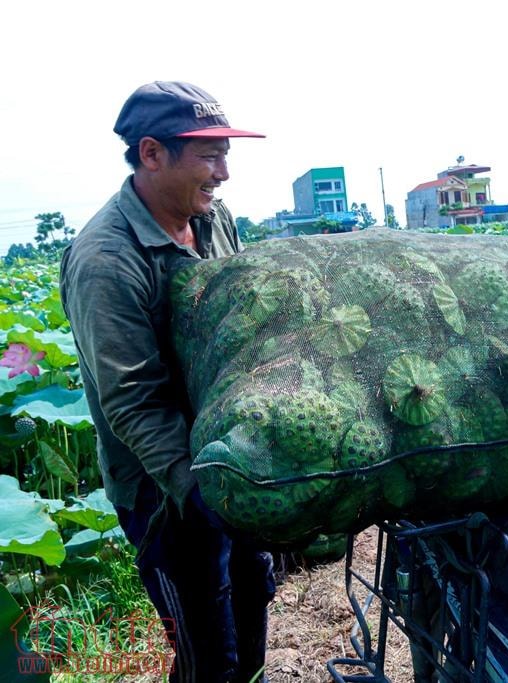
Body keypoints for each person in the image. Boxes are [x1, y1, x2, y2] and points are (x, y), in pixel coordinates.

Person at [60, 81, 274, 682]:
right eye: (209, 155)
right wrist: (199, 491)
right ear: (152, 154)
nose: (224, 172)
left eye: (226, 154)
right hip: (164, 488)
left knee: (253, 593)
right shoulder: (107, 258)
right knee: (209, 648)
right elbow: (131, 399)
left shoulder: (212, 220)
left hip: (227, 455)